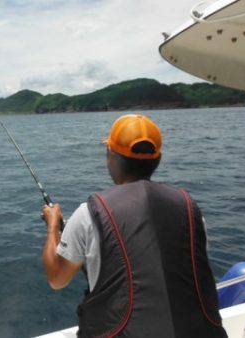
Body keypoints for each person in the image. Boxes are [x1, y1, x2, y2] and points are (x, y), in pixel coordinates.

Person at [42, 114, 227, 338]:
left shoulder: (89, 214)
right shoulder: (191, 211)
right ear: (158, 159)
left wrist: (53, 225)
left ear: (111, 156)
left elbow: (57, 279)